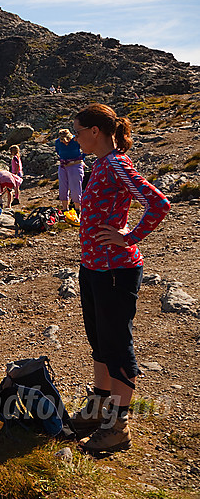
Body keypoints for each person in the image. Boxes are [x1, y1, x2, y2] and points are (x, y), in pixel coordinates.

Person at [70, 103, 170, 454]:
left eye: (79, 131)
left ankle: (117, 426)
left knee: (117, 347)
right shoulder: (99, 164)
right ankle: (98, 408)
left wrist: (129, 237)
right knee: (100, 341)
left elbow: (158, 203)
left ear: (95, 131)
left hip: (116, 269)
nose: (75, 137)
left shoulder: (116, 164)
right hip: (94, 266)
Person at [55, 128, 86, 212]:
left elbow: (85, 148)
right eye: (63, 140)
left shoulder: (76, 140)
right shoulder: (57, 142)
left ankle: (77, 209)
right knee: (63, 188)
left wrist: (82, 159)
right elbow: (58, 152)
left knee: (75, 188)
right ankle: (65, 209)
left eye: (66, 140)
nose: (65, 142)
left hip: (75, 165)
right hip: (63, 166)